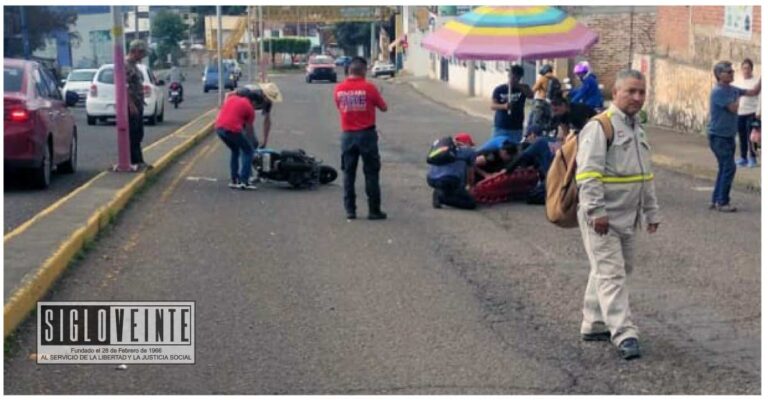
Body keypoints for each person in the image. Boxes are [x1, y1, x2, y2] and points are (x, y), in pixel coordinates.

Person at [574, 69, 661, 360]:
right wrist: (596, 212)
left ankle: (593, 322)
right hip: (603, 218)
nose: (637, 97)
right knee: (611, 273)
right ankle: (624, 333)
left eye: (641, 92)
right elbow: (587, 175)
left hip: (628, 218)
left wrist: (651, 211)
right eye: (631, 91)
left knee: (614, 270)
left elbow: (644, 174)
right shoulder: (600, 127)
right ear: (616, 93)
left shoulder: (637, 129)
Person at [333, 56, 388, 220]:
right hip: (367, 135)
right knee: (371, 173)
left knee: (348, 174)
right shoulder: (369, 88)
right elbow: (384, 107)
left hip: (348, 135)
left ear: (349, 71)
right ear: (363, 71)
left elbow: (340, 107)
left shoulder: (339, 89)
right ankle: (374, 210)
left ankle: (350, 210)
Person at [708, 61, 761, 212]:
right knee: (729, 167)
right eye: (728, 72)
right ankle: (722, 202)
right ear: (719, 75)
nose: (732, 73)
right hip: (718, 137)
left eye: (732, 71)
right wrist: (738, 98)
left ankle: (716, 199)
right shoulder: (718, 92)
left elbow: (753, 92)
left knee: (724, 167)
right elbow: (733, 108)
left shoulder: (732, 89)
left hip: (728, 136)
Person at [214, 83, 282, 190]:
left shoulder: (267, 103)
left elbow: (267, 121)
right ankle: (245, 179)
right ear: (263, 94)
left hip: (224, 125)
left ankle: (237, 178)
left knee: (243, 147)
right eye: (268, 97)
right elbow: (229, 95)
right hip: (237, 121)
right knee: (248, 149)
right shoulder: (248, 91)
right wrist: (224, 110)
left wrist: (264, 140)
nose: (268, 101)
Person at [427, 133, 477, 210]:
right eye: (470, 144)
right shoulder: (469, 151)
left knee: (450, 182)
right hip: (449, 180)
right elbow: (470, 175)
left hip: (431, 179)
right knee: (471, 203)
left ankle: (439, 191)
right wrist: (470, 187)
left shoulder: (444, 149)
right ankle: (441, 198)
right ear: (467, 142)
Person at [490, 64, 533, 143]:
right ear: (509, 75)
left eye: (517, 78)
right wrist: (504, 106)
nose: (513, 80)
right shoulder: (500, 89)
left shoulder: (523, 88)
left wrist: (519, 86)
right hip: (501, 126)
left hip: (516, 127)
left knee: (514, 151)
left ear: (520, 78)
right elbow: (493, 105)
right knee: (497, 149)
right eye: (512, 77)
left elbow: (531, 95)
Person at [125, 40, 150, 170]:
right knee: (133, 134)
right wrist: (130, 104)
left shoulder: (134, 66)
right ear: (135, 51)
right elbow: (124, 86)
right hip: (132, 105)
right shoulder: (126, 65)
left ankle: (139, 160)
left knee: (139, 133)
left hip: (138, 104)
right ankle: (134, 161)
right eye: (142, 53)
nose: (143, 57)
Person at [735, 59, 760, 168]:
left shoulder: (756, 81)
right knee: (742, 136)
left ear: (751, 69)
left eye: (748, 68)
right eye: (744, 68)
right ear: (741, 69)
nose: (746, 70)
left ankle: (753, 158)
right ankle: (743, 158)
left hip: (752, 113)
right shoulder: (737, 81)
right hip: (740, 113)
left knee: (752, 137)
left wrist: (758, 112)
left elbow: (760, 97)